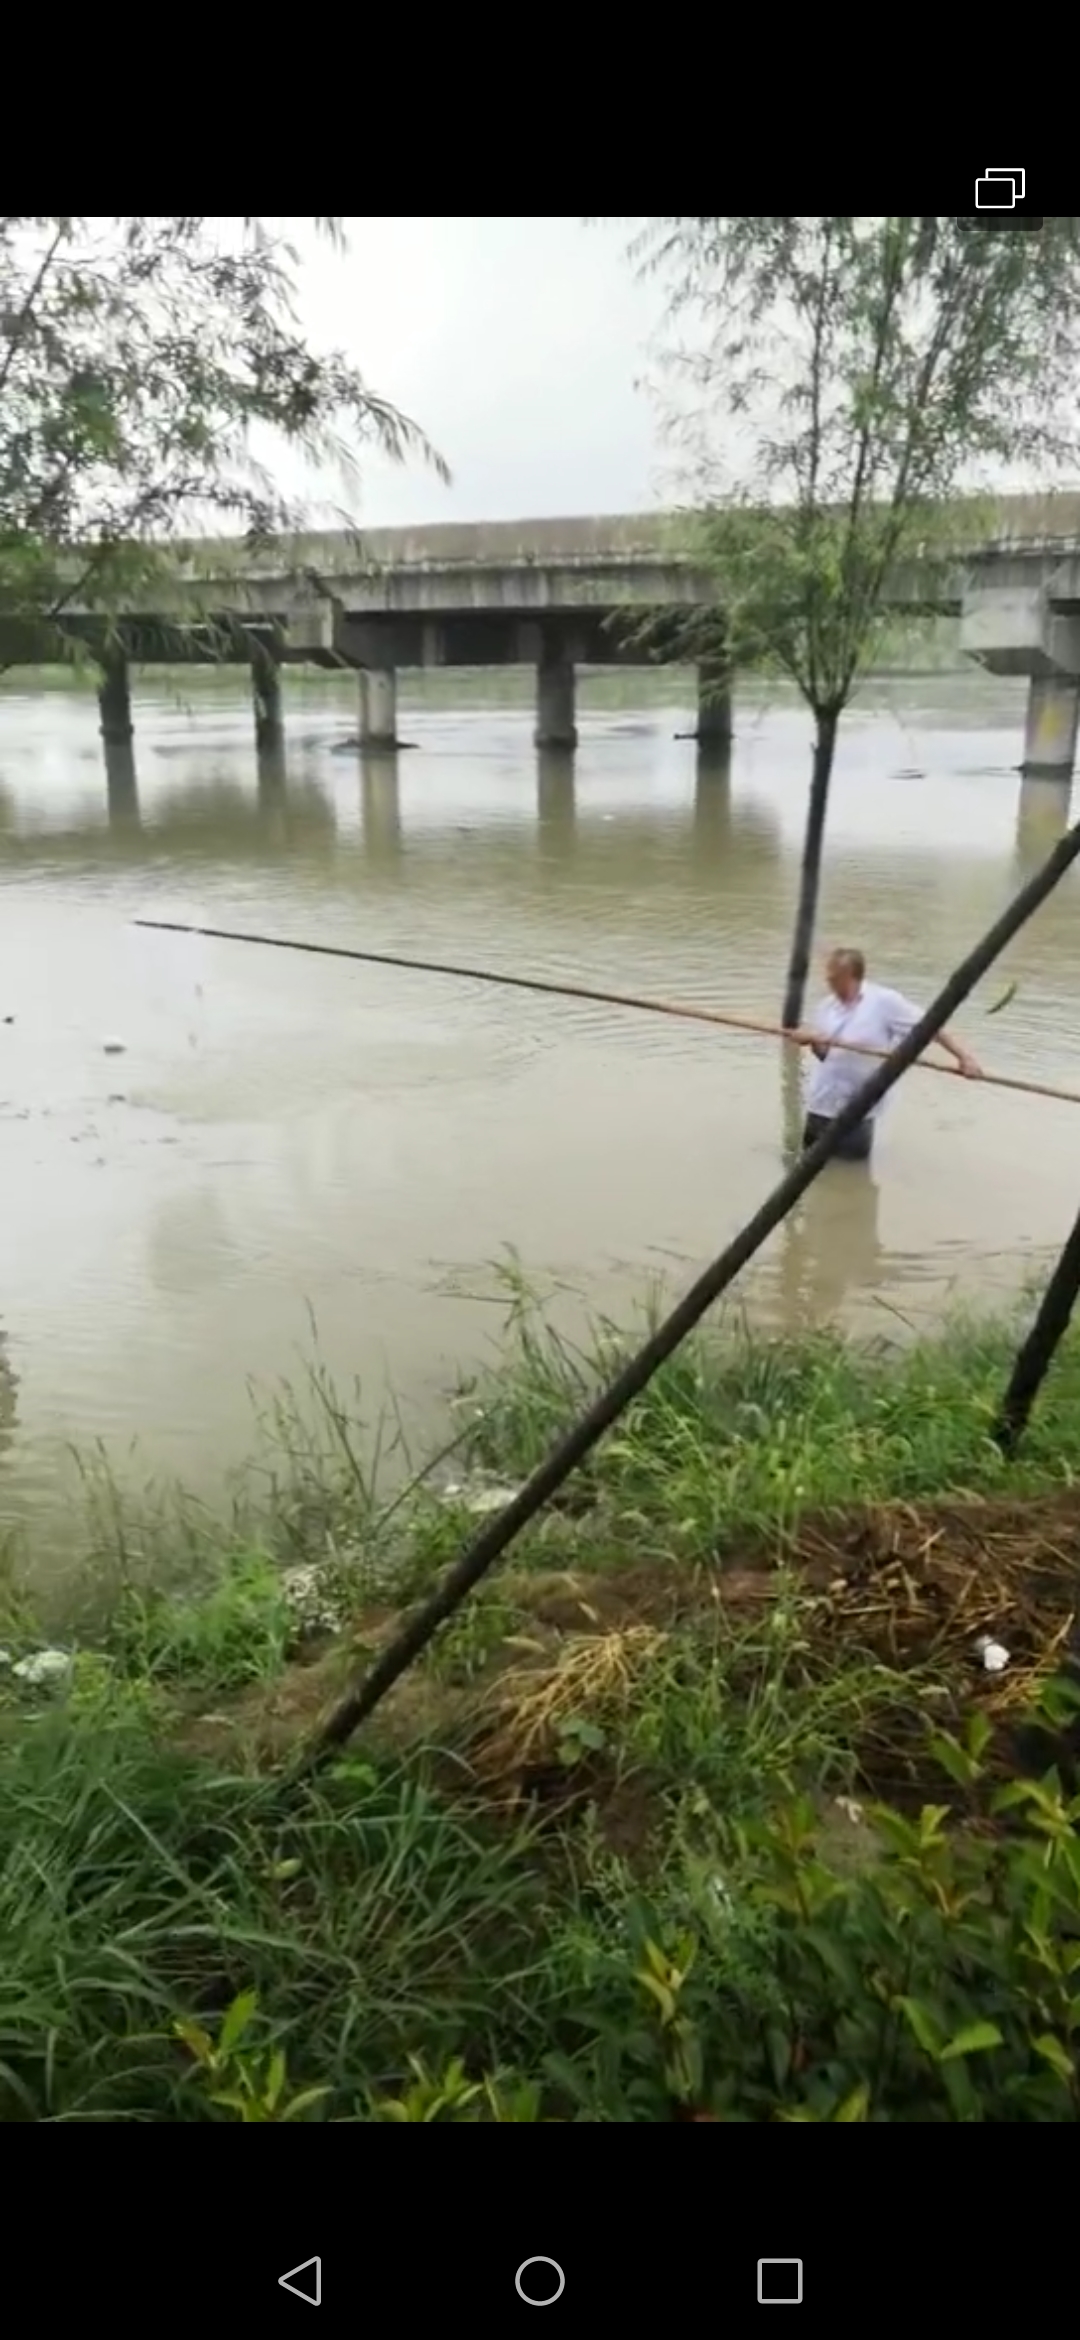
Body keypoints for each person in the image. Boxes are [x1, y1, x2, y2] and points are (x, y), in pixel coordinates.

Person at [795, 947, 983, 1162]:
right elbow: (825, 1056)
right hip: (822, 1102)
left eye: (835, 978)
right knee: (808, 1166)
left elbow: (931, 1027)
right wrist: (813, 1042)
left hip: (858, 1107)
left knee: (850, 1170)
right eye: (828, 978)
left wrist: (964, 1057)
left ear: (852, 976)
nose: (829, 983)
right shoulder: (826, 1007)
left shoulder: (884, 1002)